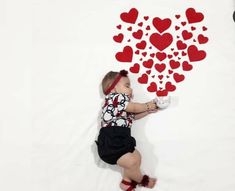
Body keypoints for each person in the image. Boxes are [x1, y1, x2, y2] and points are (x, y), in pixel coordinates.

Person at [96, 69, 159, 191]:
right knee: (132, 163)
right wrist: (148, 105)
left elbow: (134, 116)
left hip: (122, 139)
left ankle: (127, 182)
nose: (131, 89)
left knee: (137, 157)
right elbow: (134, 108)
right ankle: (142, 180)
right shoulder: (115, 98)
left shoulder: (123, 104)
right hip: (111, 141)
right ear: (112, 88)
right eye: (127, 85)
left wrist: (147, 111)